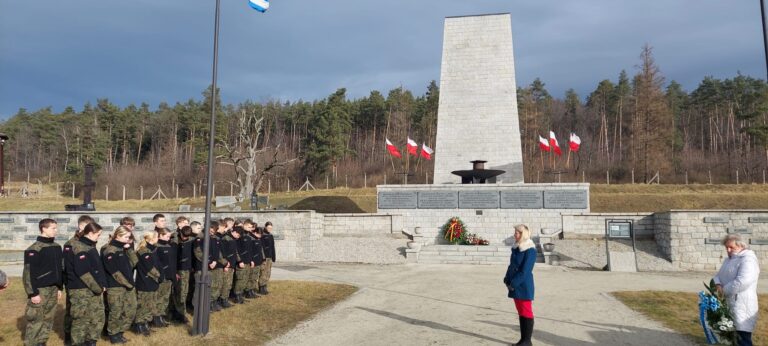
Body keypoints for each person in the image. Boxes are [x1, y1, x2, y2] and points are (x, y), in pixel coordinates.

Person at [714, 234, 760, 346]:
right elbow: (718, 275)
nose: (728, 250)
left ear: (741, 246)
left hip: (742, 304)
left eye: (731, 247)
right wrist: (718, 283)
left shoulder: (748, 260)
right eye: (726, 248)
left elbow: (743, 281)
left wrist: (723, 291)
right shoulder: (728, 260)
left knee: (742, 337)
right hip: (730, 302)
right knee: (732, 336)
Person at [23, 218, 63, 346]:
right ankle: (30, 343)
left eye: (56, 228)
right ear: (44, 229)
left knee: (48, 318)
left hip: (54, 289)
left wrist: (60, 287)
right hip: (40, 290)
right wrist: (33, 293)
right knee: (36, 319)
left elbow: (60, 269)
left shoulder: (57, 247)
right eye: (53, 228)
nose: (56, 231)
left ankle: (41, 342)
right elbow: (28, 274)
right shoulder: (34, 249)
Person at [68, 222, 107, 346]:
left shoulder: (90, 246)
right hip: (81, 289)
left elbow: (97, 269)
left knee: (96, 317)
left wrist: (102, 284)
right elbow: (83, 272)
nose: (98, 237)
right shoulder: (79, 247)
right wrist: (98, 288)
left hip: (94, 288)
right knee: (81, 319)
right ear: (90, 233)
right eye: (98, 235)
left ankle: (91, 341)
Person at [101, 226, 137, 344]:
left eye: (129, 237)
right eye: (126, 237)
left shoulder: (123, 249)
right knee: (116, 311)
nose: (128, 239)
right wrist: (128, 284)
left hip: (128, 285)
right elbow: (114, 272)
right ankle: (113, 334)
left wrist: (129, 249)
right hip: (115, 287)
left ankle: (120, 331)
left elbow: (135, 262)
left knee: (130, 310)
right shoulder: (109, 250)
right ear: (118, 235)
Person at [503, 224, 536, 346]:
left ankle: (527, 341)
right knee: (521, 312)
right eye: (515, 232)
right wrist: (507, 278)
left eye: (517, 232)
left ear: (523, 234)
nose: (514, 234)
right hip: (514, 285)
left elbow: (525, 271)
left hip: (523, 285)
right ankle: (523, 340)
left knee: (526, 311)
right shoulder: (516, 248)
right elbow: (511, 265)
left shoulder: (530, 250)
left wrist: (513, 283)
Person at [63, 214, 94, 345]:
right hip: (74, 283)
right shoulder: (71, 244)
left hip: (87, 283)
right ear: (81, 226)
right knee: (73, 312)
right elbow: (66, 267)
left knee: (84, 312)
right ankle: (69, 336)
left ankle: (84, 336)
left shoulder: (89, 242)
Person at [194, 221, 227, 312]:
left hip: (215, 265)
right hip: (204, 266)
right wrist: (209, 262)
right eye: (211, 230)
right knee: (204, 287)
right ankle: (204, 306)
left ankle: (213, 302)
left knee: (216, 285)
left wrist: (223, 262)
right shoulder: (200, 238)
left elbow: (218, 252)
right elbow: (198, 252)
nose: (213, 232)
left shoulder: (215, 238)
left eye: (214, 230)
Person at [154, 228, 175, 327]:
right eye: (167, 236)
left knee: (165, 298)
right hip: (162, 276)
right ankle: (156, 317)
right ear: (160, 235)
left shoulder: (168, 245)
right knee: (159, 298)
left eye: (169, 236)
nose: (169, 238)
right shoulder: (157, 247)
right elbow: (156, 263)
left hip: (169, 276)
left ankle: (162, 315)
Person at [173, 225, 194, 323]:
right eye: (183, 236)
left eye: (187, 237)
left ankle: (180, 312)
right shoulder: (175, 242)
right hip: (179, 270)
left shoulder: (191, 240)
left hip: (188, 269)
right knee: (180, 292)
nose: (185, 238)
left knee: (184, 292)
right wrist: (175, 271)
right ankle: (180, 313)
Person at [218, 222, 237, 308]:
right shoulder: (223, 238)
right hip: (225, 264)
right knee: (224, 283)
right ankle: (222, 300)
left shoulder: (228, 237)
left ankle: (225, 299)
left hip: (230, 264)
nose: (231, 227)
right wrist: (225, 264)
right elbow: (222, 252)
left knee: (228, 283)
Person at [231, 226, 251, 303]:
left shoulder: (240, 238)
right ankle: (237, 296)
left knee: (244, 279)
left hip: (245, 261)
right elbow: (236, 252)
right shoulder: (237, 240)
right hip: (241, 262)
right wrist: (239, 261)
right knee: (240, 279)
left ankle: (240, 295)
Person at [259, 222, 276, 295]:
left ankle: (265, 286)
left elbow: (272, 247)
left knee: (268, 272)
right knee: (263, 272)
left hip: (270, 257)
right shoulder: (262, 235)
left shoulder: (271, 236)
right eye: (268, 228)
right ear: (265, 227)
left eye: (271, 228)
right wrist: (263, 257)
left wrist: (273, 256)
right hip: (264, 257)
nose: (270, 229)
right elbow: (261, 247)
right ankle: (261, 287)